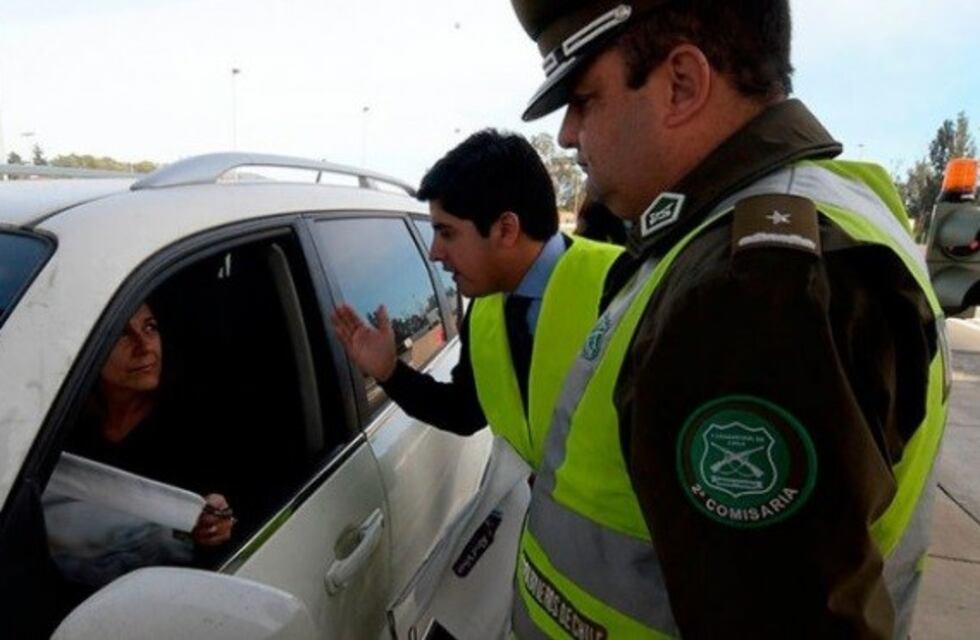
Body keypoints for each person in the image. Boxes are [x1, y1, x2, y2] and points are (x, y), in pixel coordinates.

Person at [504, 1, 948, 638]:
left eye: (583, 100)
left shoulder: (753, 290)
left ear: (682, 84)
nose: (569, 135)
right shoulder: (815, 203)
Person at [331, 129, 621, 469]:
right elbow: (465, 412)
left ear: (506, 229)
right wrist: (390, 373)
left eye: (447, 233)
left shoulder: (622, 283)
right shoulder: (486, 311)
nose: (434, 253)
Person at [44, 302, 235, 589]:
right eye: (121, 334)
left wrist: (217, 524)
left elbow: (227, 522)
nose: (144, 346)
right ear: (85, 346)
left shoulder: (197, 425)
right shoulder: (56, 427)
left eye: (150, 327)